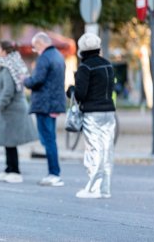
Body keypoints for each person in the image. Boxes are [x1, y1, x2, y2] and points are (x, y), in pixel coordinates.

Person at [67, 33, 115, 199]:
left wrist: (71, 90)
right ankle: (105, 189)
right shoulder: (107, 65)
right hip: (109, 112)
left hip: (92, 113)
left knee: (93, 150)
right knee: (107, 150)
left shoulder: (85, 67)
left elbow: (80, 94)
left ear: (82, 51)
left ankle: (92, 188)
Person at [23, 32, 66, 187]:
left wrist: (25, 81)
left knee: (48, 140)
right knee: (50, 139)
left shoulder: (44, 58)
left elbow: (37, 80)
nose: (35, 50)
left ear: (40, 44)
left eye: (35, 47)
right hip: (54, 104)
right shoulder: (59, 56)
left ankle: (54, 174)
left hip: (44, 104)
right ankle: (54, 173)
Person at [0, 41, 38, 183]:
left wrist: (0, 104)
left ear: (4, 51)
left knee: (11, 140)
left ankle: (15, 171)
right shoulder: (12, 63)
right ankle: (8, 168)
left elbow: (8, 90)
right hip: (12, 108)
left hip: (12, 109)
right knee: (8, 140)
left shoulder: (8, 67)